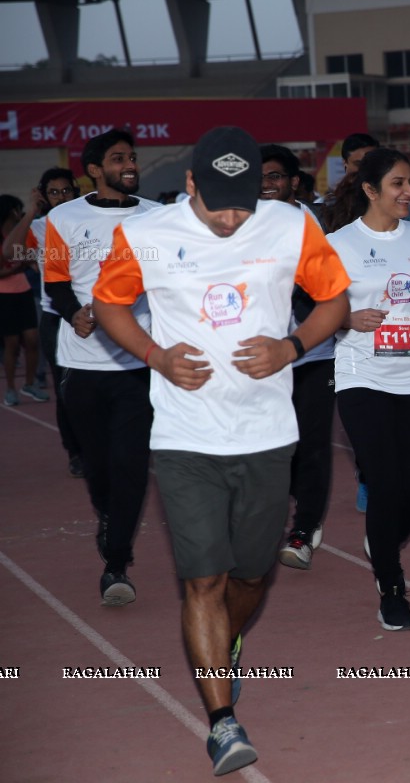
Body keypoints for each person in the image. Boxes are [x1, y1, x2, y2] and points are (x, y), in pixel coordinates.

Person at [93, 126, 350, 775]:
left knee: (252, 574)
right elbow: (108, 303)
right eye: (218, 204)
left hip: (267, 434)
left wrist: (291, 347)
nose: (233, 216)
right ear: (189, 186)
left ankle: (227, 641)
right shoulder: (147, 235)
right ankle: (222, 722)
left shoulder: (289, 227)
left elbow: (335, 301)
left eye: (242, 203)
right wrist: (155, 355)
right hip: (185, 437)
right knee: (203, 577)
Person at [329, 147, 410, 627]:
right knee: (384, 481)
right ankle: (392, 586)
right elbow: (314, 306)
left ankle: (380, 540)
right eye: (398, 184)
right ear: (370, 190)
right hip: (363, 374)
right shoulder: (339, 244)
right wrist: (346, 316)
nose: (409, 192)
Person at [43, 129, 159, 606]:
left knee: (131, 464)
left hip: (139, 365)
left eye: (132, 157)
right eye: (118, 158)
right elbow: (56, 281)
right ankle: (109, 518)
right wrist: (75, 314)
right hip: (82, 363)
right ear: (94, 169)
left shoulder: (158, 216)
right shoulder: (63, 217)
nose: (129, 164)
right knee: (99, 466)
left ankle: (116, 562)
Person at [259, 144, 338, 570]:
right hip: (263, 358)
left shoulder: (306, 223)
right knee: (277, 446)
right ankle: (300, 501)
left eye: (274, 176)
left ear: (293, 182)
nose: (266, 184)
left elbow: (323, 290)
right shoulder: (243, 222)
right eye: (260, 177)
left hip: (312, 353)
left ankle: (304, 529)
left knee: (311, 444)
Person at [24, 169, 83, 473]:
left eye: (66, 191)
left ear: (76, 191)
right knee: (65, 389)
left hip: (90, 316)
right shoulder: (38, 226)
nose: (61, 197)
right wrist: (32, 210)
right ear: (44, 196)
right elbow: (10, 251)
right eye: (54, 192)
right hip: (56, 318)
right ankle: (75, 452)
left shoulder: (88, 219)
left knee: (95, 385)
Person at [0, 193, 43, 406]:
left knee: (33, 339)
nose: (20, 214)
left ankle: (29, 383)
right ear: (11, 212)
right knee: (12, 343)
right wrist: (19, 266)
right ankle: (10, 388)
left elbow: (31, 258)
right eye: (18, 210)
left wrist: (28, 262)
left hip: (23, 290)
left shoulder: (22, 234)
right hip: (4, 294)